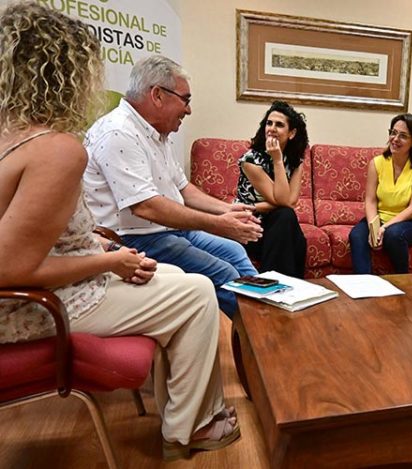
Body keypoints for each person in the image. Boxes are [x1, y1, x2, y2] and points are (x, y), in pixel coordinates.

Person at [0, 2, 239, 460]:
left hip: (58, 280)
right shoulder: (58, 149)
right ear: (67, 74)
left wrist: (102, 246)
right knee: (199, 292)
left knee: (179, 278)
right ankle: (192, 428)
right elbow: (12, 266)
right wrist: (111, 259)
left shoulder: (14, 136)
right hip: (35, 307)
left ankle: (183, 412)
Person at [84, 55, 262, 317]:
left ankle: (268, 319)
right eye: (185, 100)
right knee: (223, 273)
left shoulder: (157, 133)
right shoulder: (118, 132)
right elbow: (146, 207)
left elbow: (183, 188)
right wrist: (218, 224)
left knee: (234, 251)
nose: (188, 110)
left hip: (169, 231)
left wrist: (227, 211)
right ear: (157, 95)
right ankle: (261, 342)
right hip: (135, 237)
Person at [349, 114, 412, 274]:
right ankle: (364, 285)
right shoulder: (377, 163)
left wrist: (384, 228)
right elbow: (370, 200)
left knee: (393, 235)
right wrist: (374, 228)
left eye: (403, 136)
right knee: (357, 236)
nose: (395, 139)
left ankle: (403, 282)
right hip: (380, 216)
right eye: (393, 133)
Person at [236, 101, 308, 277]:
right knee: (286, 217)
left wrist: (263, 205)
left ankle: (284, 287)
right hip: (250, 223)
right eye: (269, 123)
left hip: (276, 223)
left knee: (290, 226)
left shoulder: (296, 162)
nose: (272, 128)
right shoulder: (250, 160)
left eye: (279, 125)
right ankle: (279, 286)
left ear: (292, 133)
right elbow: (285, 201)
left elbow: (290, 202)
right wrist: (277, 159)